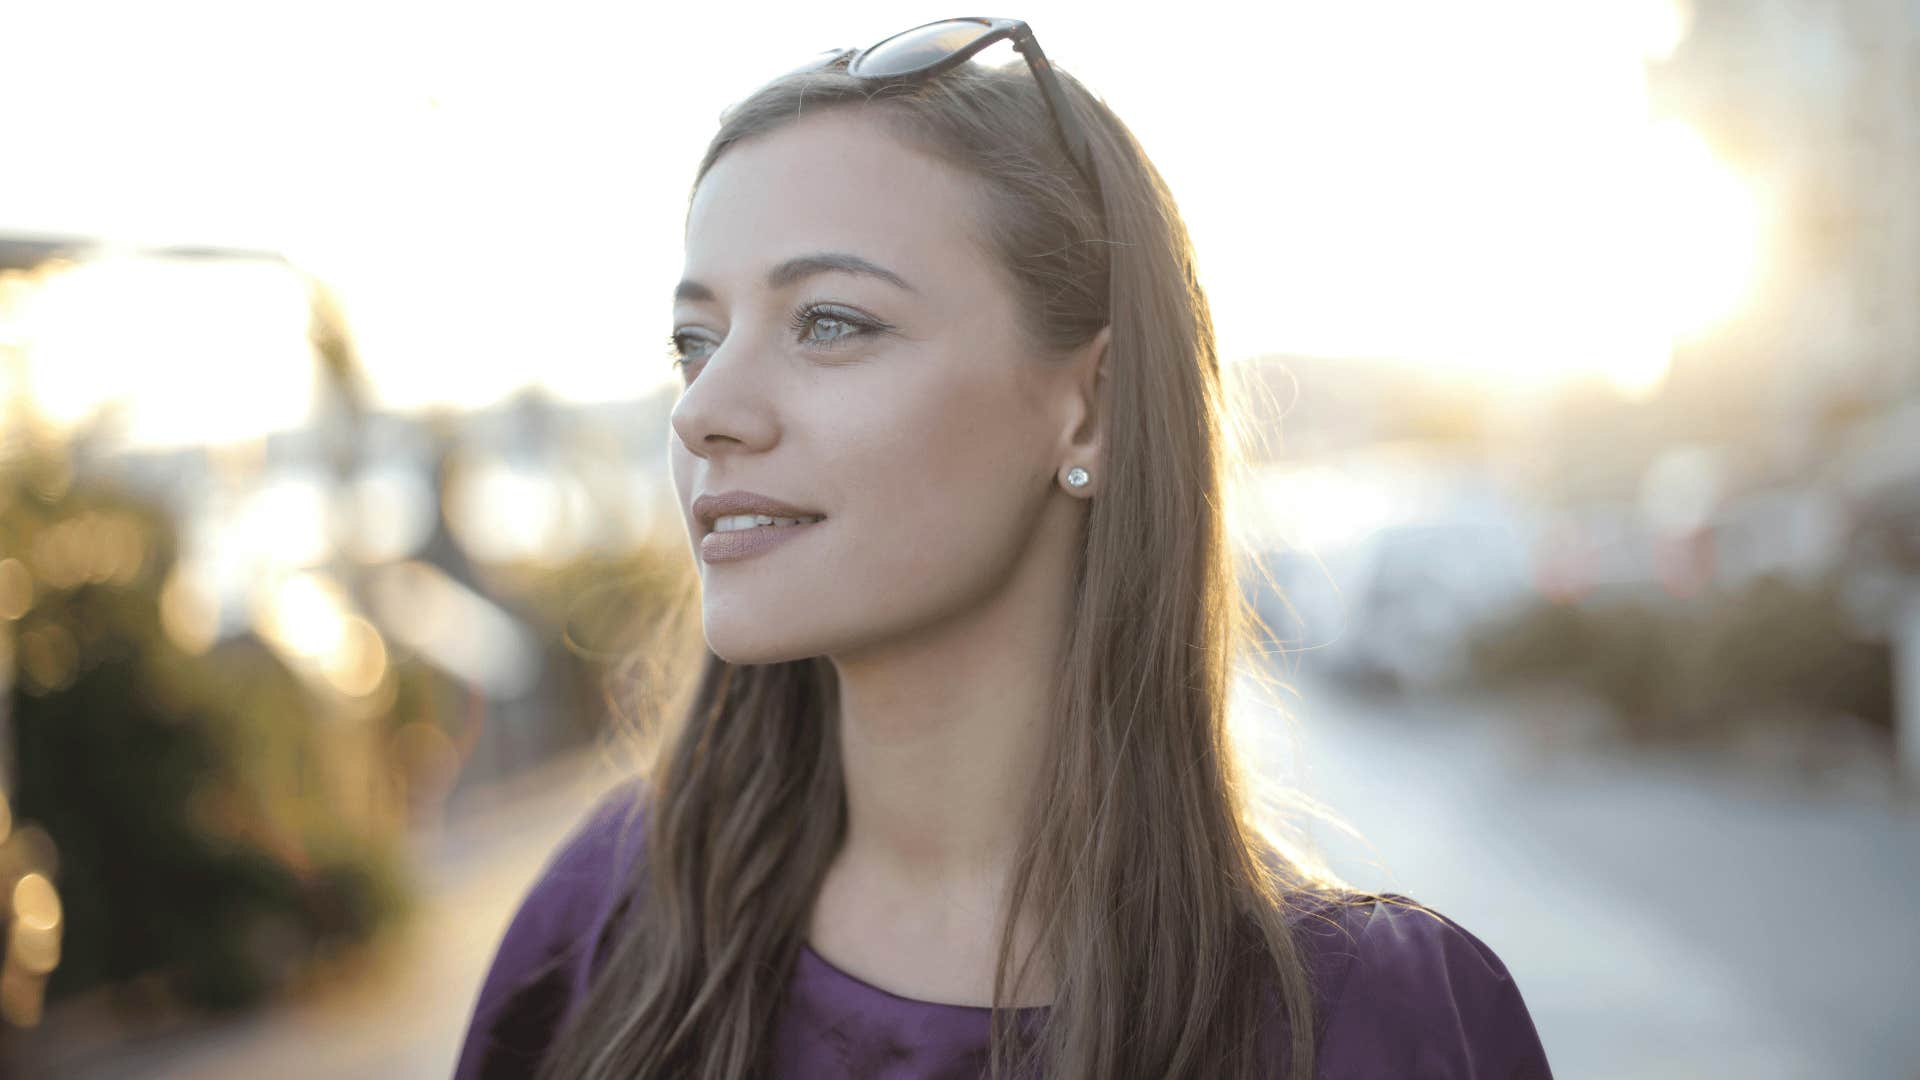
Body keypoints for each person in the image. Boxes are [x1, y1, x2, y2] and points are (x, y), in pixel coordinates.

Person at [453, 17, 1553, 1079]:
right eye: (696, 342)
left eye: (829, 322)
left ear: (1092, 409)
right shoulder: (607, 919)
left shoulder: (1376, 1027)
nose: (703, 412)